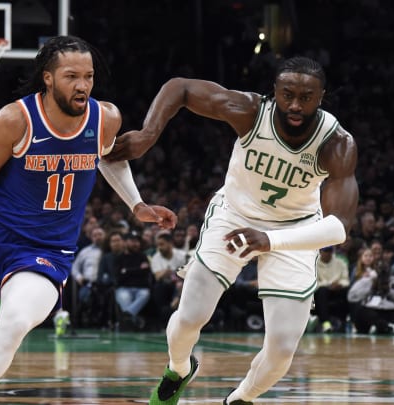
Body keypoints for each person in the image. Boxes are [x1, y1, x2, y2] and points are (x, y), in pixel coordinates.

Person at [0, 35, 177, 404]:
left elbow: (109, 158)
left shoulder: (106, 118)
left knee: (15, 323)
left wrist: (137, 205)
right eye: (71, 76)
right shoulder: (15, 119)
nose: (82, 85)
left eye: (88, 76)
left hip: (49, 248)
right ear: (48, 78)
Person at [106, 56, 358, 405]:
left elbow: (338, 227)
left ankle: (240, 398)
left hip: (295, 230)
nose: (296, 105)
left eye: (306, 97)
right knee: (191, 317)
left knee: (283, 348)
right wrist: (149, 134)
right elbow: (180, 87)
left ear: (321, 96)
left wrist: (269, 240)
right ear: (274, 92)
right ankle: (179, 368)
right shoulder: (251, 112)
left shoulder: (337, 144)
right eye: (287, 95)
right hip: (234, 216)